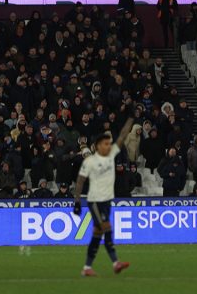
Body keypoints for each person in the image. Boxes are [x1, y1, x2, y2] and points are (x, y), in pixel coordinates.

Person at [73, 118, 134, 277]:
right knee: (107, 228)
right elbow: (80, 181)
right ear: (98, 146)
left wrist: (130, 118)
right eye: (105, 144)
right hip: (95, 201)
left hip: (107, 201)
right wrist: (77, 202)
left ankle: (87, 268)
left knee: (97, 233)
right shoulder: (90, 161)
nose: (109, 146)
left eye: (109, 144)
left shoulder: (111, 155)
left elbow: (122, 136)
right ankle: (116, 263)